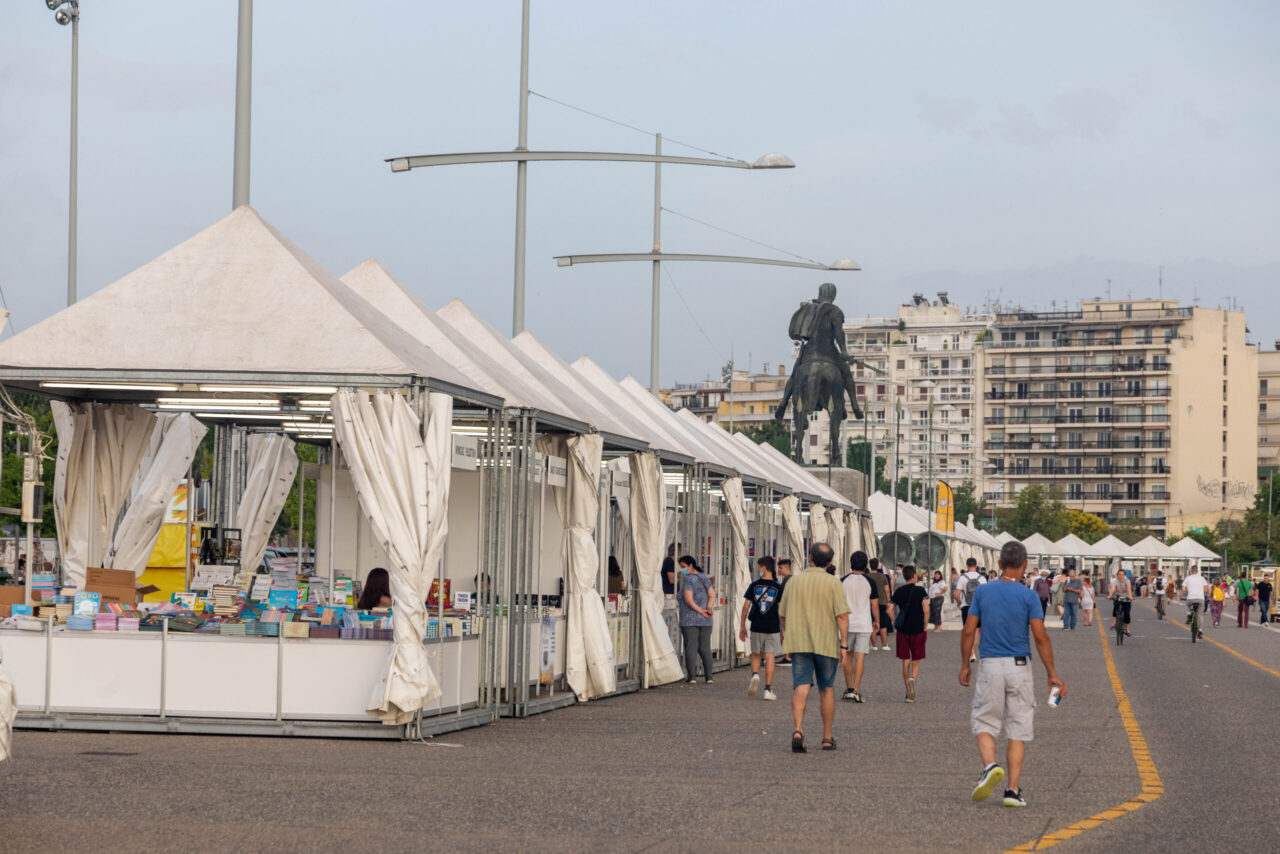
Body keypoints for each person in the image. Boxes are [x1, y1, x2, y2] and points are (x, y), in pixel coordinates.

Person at [959, 540, 1067, 809]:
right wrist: (1052, 673)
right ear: (1025, 566)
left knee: (984, 721)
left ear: (998, 564)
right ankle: (1012, 790)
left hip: (990, 665)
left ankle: (990, 765)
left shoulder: (983, 592)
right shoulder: (1029, 596)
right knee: (1017, 728)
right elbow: (1041, 637)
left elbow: (968, 630)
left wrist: (965, 664)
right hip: (1020, 667)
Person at [779, 543, 850, 752]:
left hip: (799, 642)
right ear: (830, 563)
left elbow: (782, 614)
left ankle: (798, 729)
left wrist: (787, 633)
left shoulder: (793, 582)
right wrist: (844, 644)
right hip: (826, 643)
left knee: (801, 686)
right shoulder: (833, 583)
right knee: (826, 689)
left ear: (809, 558)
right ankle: (827, 737)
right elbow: (842, 616)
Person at [739, 556, 782, 701]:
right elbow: (781, 609)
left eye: (758, 567)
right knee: (770, 656)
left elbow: (746, 606)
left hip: (756, 625)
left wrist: (742, 625)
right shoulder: (778, 587)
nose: (758, 569)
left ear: (763, 568)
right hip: (772, 626)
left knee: (756, 653)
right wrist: (784, 629)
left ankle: (755, 675)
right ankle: (768, 689)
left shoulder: (754, 586)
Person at [840, 550, 878, 703]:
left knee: (847, 656)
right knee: (860, 657)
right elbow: (874, 605)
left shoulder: (842, 580)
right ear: (865, 564)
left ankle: (848, 688)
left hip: (846, 623)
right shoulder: (870, 582)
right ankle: (856, 689)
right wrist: (877, 620)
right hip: (864, 623)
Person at [891, 565, 929, 703]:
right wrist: (925, 625)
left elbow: (889, 609)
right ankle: (913, 677)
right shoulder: (920, 590)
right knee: (916, 658)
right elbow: (926, 609)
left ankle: (908, 692)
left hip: (903, 630)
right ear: (914, 576)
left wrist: (895, 621)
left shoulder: (898, 591)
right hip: (918, 628)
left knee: (905, 659)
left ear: (904, 576)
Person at [678, 556, 716, 684]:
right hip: (706, 620)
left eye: (683, 567)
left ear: (690, 566)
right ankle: (709, 677)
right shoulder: (704, 577)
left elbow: (688, 600)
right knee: (705, 648)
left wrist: (700, 611)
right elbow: (712, 595)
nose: (681, 570)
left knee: (691, 647)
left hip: (689, 620)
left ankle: (692, 677)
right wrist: (708, 608)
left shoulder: (688, 580)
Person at [955, 558, 986, 662]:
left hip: (966, 606)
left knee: (967, 630)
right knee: (976, 630)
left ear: (967, 565)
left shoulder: (963, 578)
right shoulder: (982, 578)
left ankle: (971, 652)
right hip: (978, 607)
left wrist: (959, 602)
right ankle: (973, 651)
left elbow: (956, 594)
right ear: (976, 565)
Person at [868, 558, 893, 651]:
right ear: (878, 566)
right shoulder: (883, 576)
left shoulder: (867, 576)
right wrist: (888, 600)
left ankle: (874, 645)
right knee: (883, 624)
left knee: (872, 624)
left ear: (870, 566)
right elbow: (887, 590)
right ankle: (884, 645)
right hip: (882, 602)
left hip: (870, 603)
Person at [1180, 567, 1208, 639]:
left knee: (1187, 604)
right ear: (1197, 571)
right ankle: (1200, 630)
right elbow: (1206, 589)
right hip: (1200, 598)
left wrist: (1189, 590)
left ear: (1191, 571)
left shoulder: (1188, 578)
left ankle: (1189, 614)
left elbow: (1183, 589)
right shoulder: (1202, 578)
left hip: (1191, 598)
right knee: (1200, 614)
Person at [777, 559, 794, 665]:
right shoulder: (793, 580)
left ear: (786, 568)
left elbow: (782, 599)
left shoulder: (786, 581)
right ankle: (789, 656)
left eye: (780, 568)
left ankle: (787, 657)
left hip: (786, 611)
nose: (779, 570)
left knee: (785, 633)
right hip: (792, 610)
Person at [1110, 570, 1133, 637]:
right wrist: (1110, 595)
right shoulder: (1115, 581)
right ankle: (1114, 624)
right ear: (1117, 575)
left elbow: (1129, 589)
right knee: (1115, 608)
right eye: (1119, 574)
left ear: (1124, 575)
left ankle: (1127, 629)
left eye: (1122, 574)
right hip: (1118, 597)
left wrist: (1130, 596)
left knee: (1127, 614)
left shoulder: (1127, 581)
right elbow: (1113, 589)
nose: (1121, 576)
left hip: (1126, 598)